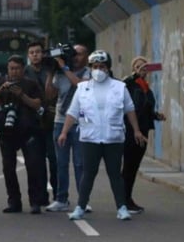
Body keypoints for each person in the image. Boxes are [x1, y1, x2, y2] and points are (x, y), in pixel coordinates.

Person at [58, 50, 146, 221]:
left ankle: (121, 207)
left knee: (115, 174)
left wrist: (136, 130)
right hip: (90, 137)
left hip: (113, 137)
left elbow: (129, 110)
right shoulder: (83, 88)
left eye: (102, 66)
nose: (98, 70)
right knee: (88, 174)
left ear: (108, 68)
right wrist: (64, 132)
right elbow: (72, 112)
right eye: (95, 67)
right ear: (90, 68)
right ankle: (80, 207)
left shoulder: (119, 87)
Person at [0, 54, 46, 214]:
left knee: (33, 167)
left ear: (22, 69)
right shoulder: (2, 84)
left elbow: (37, 104)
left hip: (28, 130)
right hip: (7, 131)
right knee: (8, 168)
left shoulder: (31, 84)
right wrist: (1, 89)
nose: (14, 72)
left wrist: (22, 95)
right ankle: (14, 202)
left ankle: (35, 202)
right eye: (12, 68)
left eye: (17, 68)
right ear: (8, 69)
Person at [45, 44, 91, 212]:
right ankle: (61, 199)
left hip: (80, 123)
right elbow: (49, 94)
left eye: (79, 54)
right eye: (74, 55)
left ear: (86, 56)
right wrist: (50, 72)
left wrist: (64, 67)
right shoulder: (60, 73)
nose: (75, 58)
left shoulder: (88, 73)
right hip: (60, 122)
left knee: (80, 164)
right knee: (61, 163)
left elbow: (80, 85)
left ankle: (83, 200)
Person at [122, 56, 166, 213]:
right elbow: (128, 104)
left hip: (143, 130)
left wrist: (155, 115)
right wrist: (135, 75)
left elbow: (144, 109)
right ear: (133, 69)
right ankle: (124, 200)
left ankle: (127, 198)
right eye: (138, 66)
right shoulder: (129, 85)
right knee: (128, 166)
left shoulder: (146, 88)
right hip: (131, 131)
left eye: (145, 67)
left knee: (134, 166)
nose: (142, 69)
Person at [24, 42, 57, 204]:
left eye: (38, 52)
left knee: (54, 159)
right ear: (28, 55)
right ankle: (41, 196)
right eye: (32, 52)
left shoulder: (50, 71)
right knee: (37, 162)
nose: (35, 55)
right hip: (33, 122)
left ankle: (59, 194)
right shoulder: (25, 73)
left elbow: (51, 94)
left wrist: (51, 74)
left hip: (50, 121)